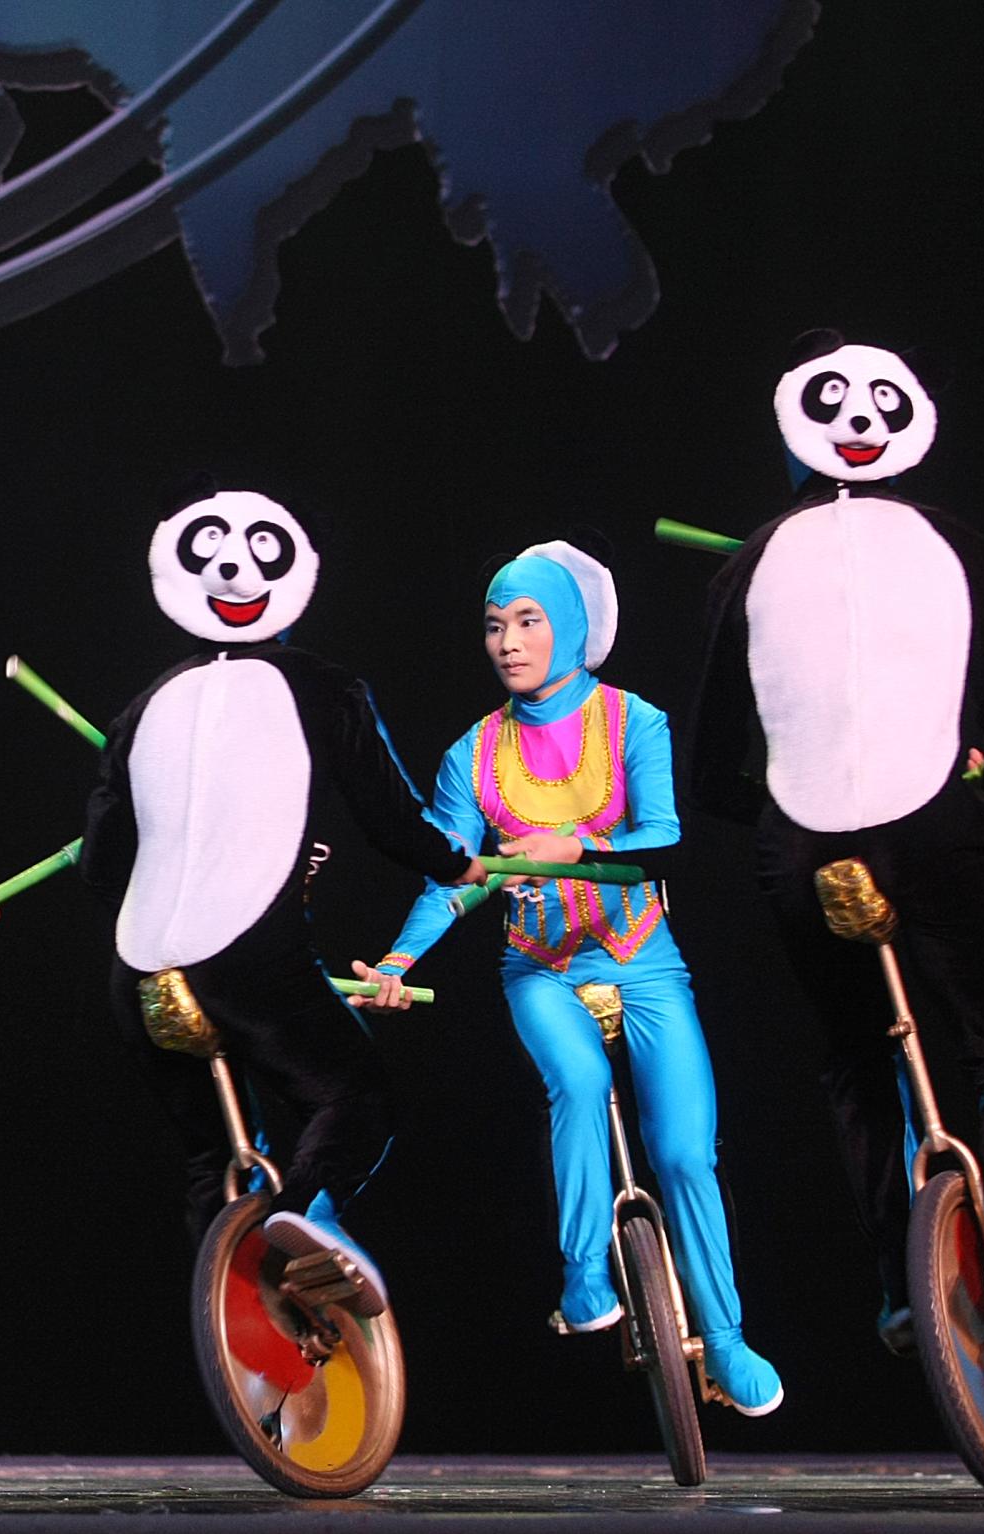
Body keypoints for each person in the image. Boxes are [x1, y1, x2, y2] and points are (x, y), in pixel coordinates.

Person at [684, 332, 984, 1391]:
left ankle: (896, 1281)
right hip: (929, 827)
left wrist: (776, 807)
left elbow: (711, 764)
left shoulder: (749, 561)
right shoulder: (958, 545)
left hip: (799, 842)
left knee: (855, 1060)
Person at [350, 538, 783, 1415]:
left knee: (685, 1153)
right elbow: (452, 878)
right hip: (540, 969)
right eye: (493, 625)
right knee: (578, 1084)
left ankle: (727, 1339)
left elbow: (663, 837)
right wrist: (396, 962)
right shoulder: (473, 753)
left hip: (644, 959)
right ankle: (585, 1273)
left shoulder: (634, 722)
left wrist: (576, 848)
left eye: (528, 621)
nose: (507, 642)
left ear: (574, 628)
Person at [81, 487, 483, 1307]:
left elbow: (100, 864)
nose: (235, 571)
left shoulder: (140, 707)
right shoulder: (322, 687)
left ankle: (232, 1320)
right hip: (247, 962)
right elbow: (388, 814)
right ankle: (307, 1217)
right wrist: (455, 864)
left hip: (137, 974)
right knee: (353, 1096)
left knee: (210, 1160)